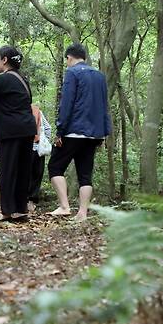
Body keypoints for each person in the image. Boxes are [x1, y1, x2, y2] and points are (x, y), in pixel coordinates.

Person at [48, 43, 111, 220]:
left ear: (69, 58)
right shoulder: (99, 76)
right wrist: (104, 132)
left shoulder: (72, 73)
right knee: (85, 174)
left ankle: (64, 206)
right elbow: (104, 105)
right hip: (94, 133)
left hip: (73, 131)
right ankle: (82, 213)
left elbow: (66, 103)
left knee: (55, 167)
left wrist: (60, 130)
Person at [0, 46, 36, 221]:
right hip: (27, 129)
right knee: (22, 171)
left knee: (8, 170)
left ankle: (8, 211)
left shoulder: (1, 80)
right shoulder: (23, 80)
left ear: (4, 60)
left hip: (9, 131)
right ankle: (20, 209)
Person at [27, 104, 52, 211]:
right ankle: (31, 202)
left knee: (23, 175)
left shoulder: (16, 109)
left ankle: (21, 201)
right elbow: (47, 128)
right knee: (36, 175)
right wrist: (44, 140)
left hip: (22, 149)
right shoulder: (36, 110)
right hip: (37, 149)